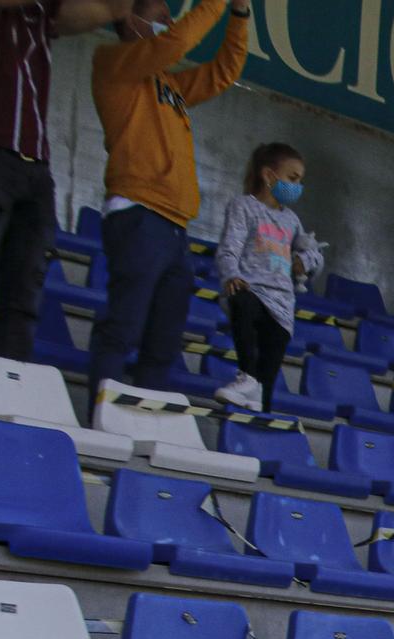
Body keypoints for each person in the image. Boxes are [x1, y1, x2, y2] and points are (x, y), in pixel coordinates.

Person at [0, 0, 131, 396]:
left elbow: (108, 10)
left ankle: (5, 396)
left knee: (25, 296)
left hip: (34, 162)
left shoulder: (38, 11)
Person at [86, 0, 249, 392]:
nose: (170, 24)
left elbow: (224, 72)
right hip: (137, 212)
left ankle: (141, 423)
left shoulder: (170, 84)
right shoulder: (114, 62)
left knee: (163, 341)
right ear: (130, 18)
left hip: (176, 225)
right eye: (161, 18)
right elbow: (176, 43)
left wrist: (240, 16)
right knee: (123, 325)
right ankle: (101, 416)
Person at [212, 142, 320, 413]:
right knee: (241, 300)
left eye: (300, 181)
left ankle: (257, 421)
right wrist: (231, 275)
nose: (297, 186)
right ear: (269, 176)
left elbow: (315, 256)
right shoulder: (243, 206)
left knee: (266, 385)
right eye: (292, 178)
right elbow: (229, 247)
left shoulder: (292, 220)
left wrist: (303, 262)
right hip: (253, 290)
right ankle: (246, 377)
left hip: (282, 306)